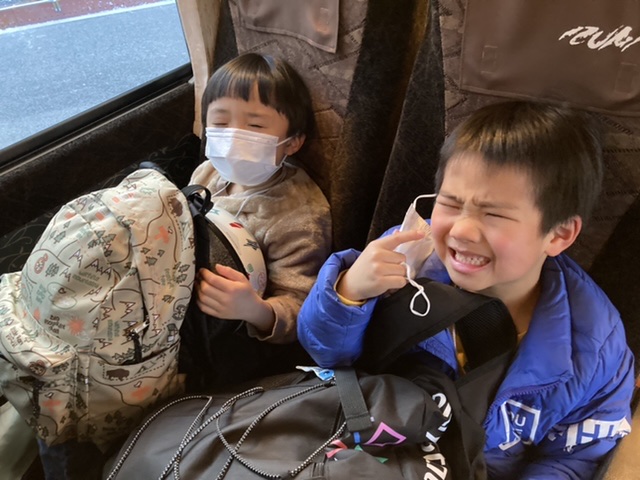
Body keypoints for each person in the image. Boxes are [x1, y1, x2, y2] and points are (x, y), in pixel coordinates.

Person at [297, 101, 635, 479]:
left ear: (558, 234)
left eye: (494, 214)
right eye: (450, 204)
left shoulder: (594, 345)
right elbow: (324, 352)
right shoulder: (406, 259)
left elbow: (574, 458)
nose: (461, 231)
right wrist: (348, 294)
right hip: (366, 453)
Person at [180, 52, 332, 389]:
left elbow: (301, 308)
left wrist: (254, 309)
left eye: (254, 126)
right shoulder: (208, 172)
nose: (233, 137)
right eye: (221, 123)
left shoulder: (299, 217)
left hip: (229, 337)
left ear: (293, 142)